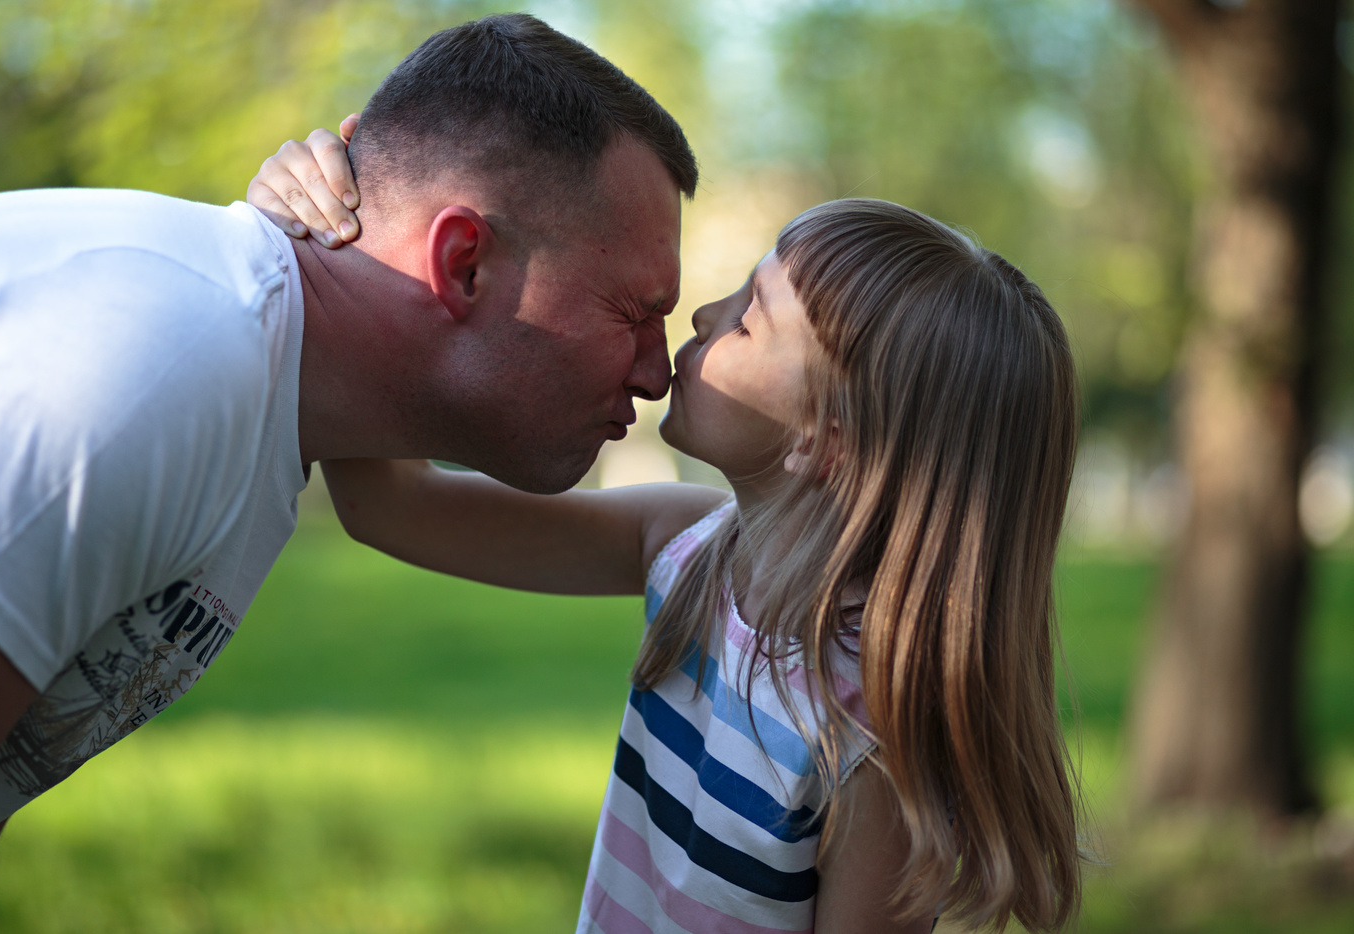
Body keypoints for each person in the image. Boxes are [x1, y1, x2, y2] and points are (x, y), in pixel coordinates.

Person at [0, 13, 697, 930]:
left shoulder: (267, 397)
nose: (657, 372)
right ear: (462, 263)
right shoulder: (150, 378)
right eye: (635, 310)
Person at [253, 151, 1084, 929]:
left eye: (750, 317)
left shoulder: (872, 734)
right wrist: (342, 241)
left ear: (826, 437)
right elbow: (394, 509)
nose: (702, 313)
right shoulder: (687, 549)